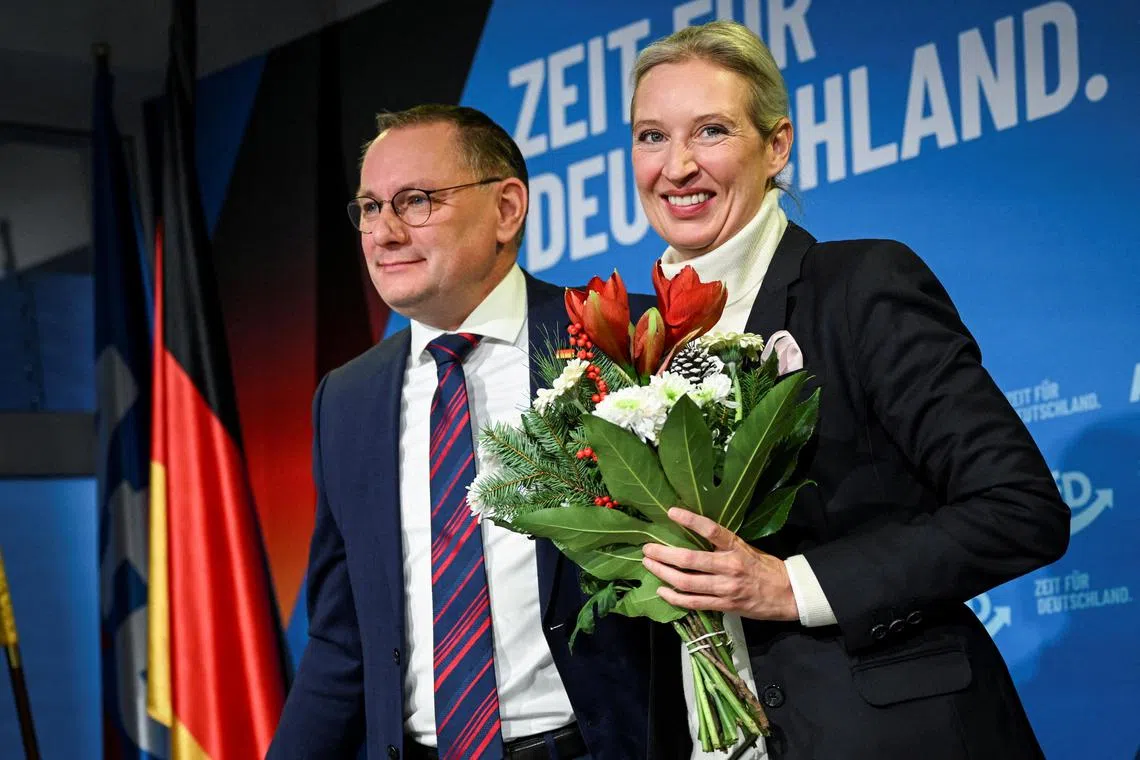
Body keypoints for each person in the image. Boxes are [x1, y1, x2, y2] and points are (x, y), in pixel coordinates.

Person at [633, 21, 1070, 760]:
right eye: (651, 136)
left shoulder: (859, 286)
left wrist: (791, 586)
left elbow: (1020, 510)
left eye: (710, 131)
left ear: (777, 146)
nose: (676, 166)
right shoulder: (635, 343)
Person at [268, 105, 685, 760]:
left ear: (507, 209)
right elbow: (344, 637)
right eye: (370, 207)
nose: (384, 231)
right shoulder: (346, 400)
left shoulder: (621, 341)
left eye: (416, 200)